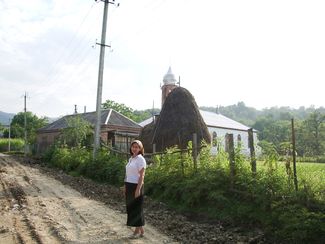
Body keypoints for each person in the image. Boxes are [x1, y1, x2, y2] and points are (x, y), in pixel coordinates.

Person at [124, 140, 146, 239]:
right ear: (131, 148)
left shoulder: (140, 159)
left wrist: (138, 190)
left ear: (140, 148)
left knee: (136, 209)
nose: (135, 148)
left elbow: (142, 176)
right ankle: (141, 230)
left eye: (137, 147)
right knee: (132, 208)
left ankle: (136, 232)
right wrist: (125, 185)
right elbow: (128, 174)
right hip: (129, 185)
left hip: (136, 186)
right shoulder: (131, 159)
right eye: (133, 146)